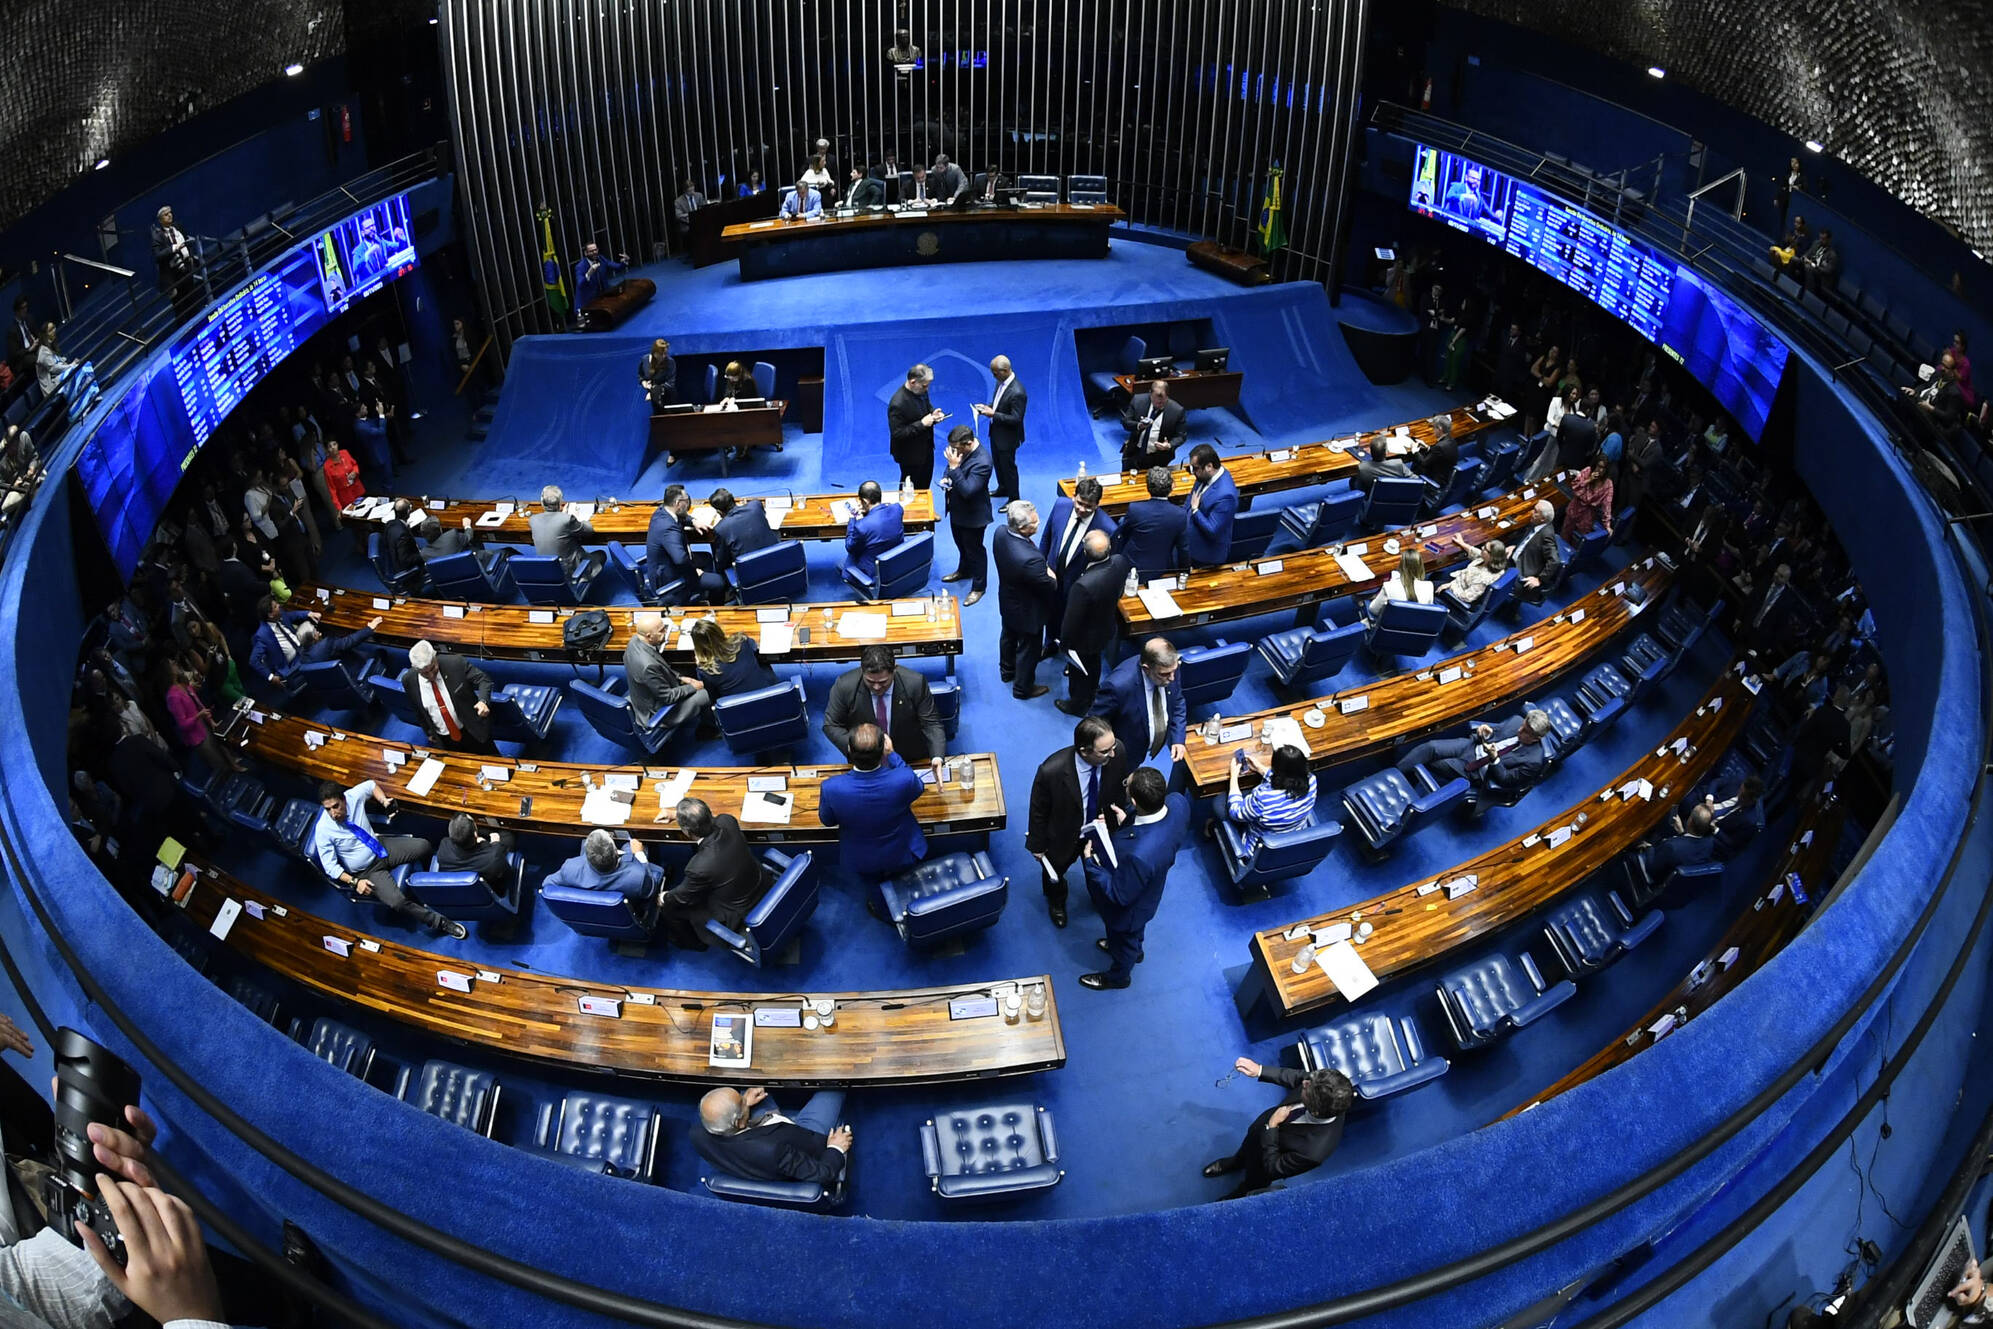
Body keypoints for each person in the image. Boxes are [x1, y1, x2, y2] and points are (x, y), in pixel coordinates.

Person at [1079, 766, 1188, 990]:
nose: (1125, 787)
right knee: (1134, 936)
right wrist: (1128, 820)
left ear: (1136, 801)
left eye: (1127, 786)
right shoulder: (1178, 803)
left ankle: (1119, 977)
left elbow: (1119, 894)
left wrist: (1091, 863)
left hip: (1130, 910)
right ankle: (1135, 950)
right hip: (1151, 889)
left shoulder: (1140, 855)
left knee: (1124, 941)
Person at [312, 779, 465, 937]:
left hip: (380, 848)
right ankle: (440, 922)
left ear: (343, 799)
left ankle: (427, 881)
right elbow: (330, 868)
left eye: (335, 806)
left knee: (424, 845)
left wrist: (384, 800)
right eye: (328, 809)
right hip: (367, 871)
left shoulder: (353, 796)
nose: (333, 814)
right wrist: (354, 881)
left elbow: (371, 785)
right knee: (397, 902)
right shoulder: (324, 829)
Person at [1027, 716, 1130, 928]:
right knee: (1054, 872)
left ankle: (1098, 897)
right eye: (1104, 751)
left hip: (1099, 830)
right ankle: (1056, 902)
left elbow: (1118, 790)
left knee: (1100, 869)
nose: (1112, 753)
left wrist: (1112, 820)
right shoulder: (1051, 771)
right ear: (1084, 751)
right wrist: (1037, 845)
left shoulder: (1116, 752)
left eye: (1112, 747)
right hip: (1063, 834)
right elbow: (1038, 811)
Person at [1204, 1059, 1356, 1198]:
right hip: (1257, 1133)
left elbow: (1273, 1167)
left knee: (1252, 1184)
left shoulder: (1314, 1152)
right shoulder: (1321, 1084)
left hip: (1263, 1164)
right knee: (1245, 1150)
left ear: (1315, 1111)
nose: (1304, 1082)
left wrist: (1272, 1126)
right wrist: (1260, 1070)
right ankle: (1235, 1162)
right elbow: (1297, 1076)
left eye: (1306, 1089)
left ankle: (1235, 1196)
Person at [817, 721, 926, 879]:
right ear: (883, 750)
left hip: (862, 860)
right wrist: (893, 755)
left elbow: (827, 821)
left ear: (849, 749)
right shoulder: (904, 779)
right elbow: (918, 787)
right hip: (902, 852)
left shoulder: (831, 788)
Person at [692, 1085, 852, 1188]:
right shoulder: (775, 1151)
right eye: (742, 1102)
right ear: (739, 1122)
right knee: (835, 1086)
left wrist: (745, 1102)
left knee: (749, 1084)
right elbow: (823, 1173)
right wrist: (835, 1148)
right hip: (799, 1135)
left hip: (754, 1132)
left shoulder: (697, 1134)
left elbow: (735, 1120)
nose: (745, 1099)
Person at [661, 798, 763, 949]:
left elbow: (681, 897)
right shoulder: (728, 821)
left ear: (687, 831)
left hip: (738, 911)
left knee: (670, 907)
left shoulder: (699, 867)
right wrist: (676, 815)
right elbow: (715, 819)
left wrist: (663, 897)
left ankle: (693, 944)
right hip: (760, 884)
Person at [823, 644, 945, 765]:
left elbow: (931, 723)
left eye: (883, 682)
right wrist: (856, 747)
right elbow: (831, 725)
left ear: (895, 669)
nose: (876, 687)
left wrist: (937, 757)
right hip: (864, 762)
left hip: (908, 758)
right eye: (870, 681)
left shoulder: (915, 684)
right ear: (862, 670)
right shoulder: (844, 686)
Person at [1056, 531, 1133, 716]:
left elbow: (1071, 621)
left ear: (1084, 553)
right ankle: (1092, 693)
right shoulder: (1120, 562)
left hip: (1083, 639)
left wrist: (1065, 644)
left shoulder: (1083, 586)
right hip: (1106, 628)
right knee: (1094, 664)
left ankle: (1077, 705)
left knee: (1079, 671)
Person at [1396, 709, 1555, 793]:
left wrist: (1495, 760)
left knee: (1432, 763)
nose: (1519, 730)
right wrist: (1486, 731)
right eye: (1522, 726)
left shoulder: (1533, 761)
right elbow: (1496, 731)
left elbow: (1506, 780)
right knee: (1430, 747)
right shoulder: (1516, 722)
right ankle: (1395, 773)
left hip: (1476, 770)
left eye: (1525, 731)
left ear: (1536, 738)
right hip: (1471, 746)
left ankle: (1403, 784)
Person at [994, 501, 1059, 699]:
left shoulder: (1000, 532)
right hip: (1029, 611)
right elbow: (1051, 584)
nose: (1039, 524)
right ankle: (1023, 688)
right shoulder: (1031, 559)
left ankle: (1007, 672)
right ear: (1023, 528)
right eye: (1035, 523)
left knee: (1008, 636)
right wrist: (1048, 570)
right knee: (1029, 650)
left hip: (1008, 600)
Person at [1040, 476, 1115, 643]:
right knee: (1050, 613)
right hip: (1051, 574)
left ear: (1097, 504)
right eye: (1079, 503)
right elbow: (1047, 537)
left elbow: (1104, 567)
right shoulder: (1060, 505)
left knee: (1073, 623)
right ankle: (1050, 642)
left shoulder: (1107, 528)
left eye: (1088, 506)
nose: (1081, 509)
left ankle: (1069, 653)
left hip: (1077, 586)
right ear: (1074, 496)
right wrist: (1042, 565)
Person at [1091, 637, 1188, 763]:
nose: (1172, 679)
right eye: (1164, 674)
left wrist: (1178, 739)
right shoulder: (1118, 686)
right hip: (1122, 755)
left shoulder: (1170, 667)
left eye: (1173, 671)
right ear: (1146, 668)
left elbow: (1178, 700)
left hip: (1142, 749)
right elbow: (1094, 723)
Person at [248, 596, 381, 686]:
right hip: (294, 664)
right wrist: (271, 677)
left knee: (331, 644)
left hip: (304, 647)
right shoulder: (262, 635)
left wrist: (308, 613)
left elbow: (291, 616)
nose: (280, 606)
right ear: (270, 614)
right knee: (334, 645)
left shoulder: (279, 615)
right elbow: (253, 660)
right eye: (276, 606)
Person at [1214, 743, 1317, 854]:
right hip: (1293, 835)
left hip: (1262, 847)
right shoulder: (1312, 781)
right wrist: (1261, 769)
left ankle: (1214, 827)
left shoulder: (1264, 797)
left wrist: (1233, 777)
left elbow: (1236, 813)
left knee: (1219, 803)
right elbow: (1288, 780)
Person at [624, 611, 713, 736]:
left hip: (648, 694)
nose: (666, 632)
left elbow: (661, 668)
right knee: (709, 691)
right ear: (649, 636)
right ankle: (708, 730)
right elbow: (668, 698)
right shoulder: (648, 666)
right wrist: (693, 687)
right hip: (658, 711)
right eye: (661, 631)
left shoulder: (634, 641)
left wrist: (681, 678)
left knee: (686, 670)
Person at [401, 639, 498, 754]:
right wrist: (429, 732)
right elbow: (418, 709)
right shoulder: (409, 680)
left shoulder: (455, 663)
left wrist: (483, 701)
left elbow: (484, 680)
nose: (431, 675)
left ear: (435, 657)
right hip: (445, 740)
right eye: (425, 673)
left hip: (472, 732)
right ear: (415, 668)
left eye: (433, 668)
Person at [938, 424, 992, 603]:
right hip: (957, 510)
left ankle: (979, 587)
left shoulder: (983, 461)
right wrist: (947, 475)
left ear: (968, 443)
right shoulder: (962, 450)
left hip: (974, 516)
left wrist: (953, 470)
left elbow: (969, 490)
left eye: (956, 448)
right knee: (962, 546)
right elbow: (951, 465)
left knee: (975, 551)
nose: (953, 452)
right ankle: (964, 571)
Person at [644, 484, 724, 604]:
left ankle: (702, 593)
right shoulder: (668, 529)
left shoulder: (663, 511)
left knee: (706, 557)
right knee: (719, 581)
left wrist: (693, 521)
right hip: (669, 577)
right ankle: (714, 606)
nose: (688, 502)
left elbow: (681, 517)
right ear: (677, 503)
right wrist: (695, 572)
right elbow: (680, 560)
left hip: (669, 561)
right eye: (686, 500)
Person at [545, 828, 665, 902]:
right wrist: (640, 855)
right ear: (616, 853)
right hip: (628, 885)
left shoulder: (570, 868)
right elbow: (650, 891)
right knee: (631, 846)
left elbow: (548, 885)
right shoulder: (638, 877)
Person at [1112, 467, 1188, 578]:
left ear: (1147, 487)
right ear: (1172, 487)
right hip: (1161, 567)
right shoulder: (1180, 515)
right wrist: (1185, 572)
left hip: (1132, 565)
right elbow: (1183, 547)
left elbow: (1123, 533)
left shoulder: (1135, 509)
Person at [164, 662, 238, 775]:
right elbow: (182, 725)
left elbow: (198, 704)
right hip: (197, 736)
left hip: (206, 725)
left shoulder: (184, 684)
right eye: (172, 664)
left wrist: (211, 721)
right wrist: (199, 716)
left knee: (223, 749)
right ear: (168, 672)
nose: (176, 664)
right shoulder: (172, 696)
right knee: (219, 765)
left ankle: (235, 767)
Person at [974, 354, 1027, 498]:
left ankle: (1014, 498)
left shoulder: (1018, 392)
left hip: (1008, 437)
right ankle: (1003, 488)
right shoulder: (1001, 383)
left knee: (1008, 468)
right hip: (996, 433)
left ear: (1004, 371)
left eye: (995, 373)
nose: (993, 376)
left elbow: (1016, 418)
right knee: (998, 464)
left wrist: (993, 415)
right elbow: (999, 404)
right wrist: (987, 408)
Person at [689, 617, 779, 699]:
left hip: (738, 709)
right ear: (719, 630)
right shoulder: (741, 641)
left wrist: (701, 662)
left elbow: (713, 696)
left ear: (698, 646)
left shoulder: (705, 670)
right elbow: (754, 647)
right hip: (768, 697)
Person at [529, 484, 605, 579]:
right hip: (569, 570)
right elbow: (589, 530)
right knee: (601, 554)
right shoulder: (567, 519)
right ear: (560, 502)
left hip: (546, 570)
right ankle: (581, 580)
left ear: (542, 502)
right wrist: (574, 517)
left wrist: (562, 515)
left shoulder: (533, 520)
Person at [887, 363, 944, 488]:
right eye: (924, 386)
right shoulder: (897, 404)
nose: (927, 389)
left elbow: (926, 406)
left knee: (924, 485)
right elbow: (898, 433)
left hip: (926, 448)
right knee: (910, 488)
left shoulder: (921, 391)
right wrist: (922, 424)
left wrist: (933, 414)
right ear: (913, 382)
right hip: (909, 454)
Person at [435, 812, 519, 897]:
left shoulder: (444, 846)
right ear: (475, 834)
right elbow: (508, 874)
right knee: (508, 836)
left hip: (459, 893)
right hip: (488, 892)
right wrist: (495, 843)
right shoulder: (493, 857)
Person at [1182, 444, 1238, 567]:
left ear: (1209, 466)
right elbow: (1191, 499)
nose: (1193, 473)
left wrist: (1195, 510)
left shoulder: (1226, 495)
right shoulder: (1203, 476)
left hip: (1205, 555)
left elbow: (1212, 530)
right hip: (1187, 544)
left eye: (1195, 468)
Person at [1688, 774, 1765, 860]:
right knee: (1687, 801)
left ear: (1752, 800)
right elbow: (1716, 782)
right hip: (1705, 805)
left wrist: (1715, 829)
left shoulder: (1750, 821)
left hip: (1711, 830)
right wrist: (1709, 800)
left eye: (1743, 796)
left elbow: (1733, 843)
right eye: (1740, 790)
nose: (1738, 795)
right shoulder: (1739, 781)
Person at [842, 481, 904, 585]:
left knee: (853, 552)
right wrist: (869, 513)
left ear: (865, 502)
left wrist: (852, 519)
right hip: (896, 562)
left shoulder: (861, 526)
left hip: (872, 571)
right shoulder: (897, 509)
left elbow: (850, 547)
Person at [1634, 803, 1718, 880]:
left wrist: (1649, 847)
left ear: (1690, 821)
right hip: (1679, 875)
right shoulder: (1709, 842)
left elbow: (1651, 868)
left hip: (1656, 875)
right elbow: (1688, 849)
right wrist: (1682, 832)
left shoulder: (1672, 847)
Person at [707, 487, 779, 574]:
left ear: (719, 512)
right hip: (775, 561)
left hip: (749, 574)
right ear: (734, 500)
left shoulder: (720, 529)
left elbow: (722, 563)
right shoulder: (755, 505)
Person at [150, 204, 204, 320]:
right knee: (180, 307)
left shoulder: (178, 227)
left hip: (187, 270)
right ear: (160, 220)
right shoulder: (157, 236)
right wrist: (173, 248)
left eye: (170, 213)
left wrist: (189, 256)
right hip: (174, 276)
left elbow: (186, 241)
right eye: (166, 215)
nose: (169, 215)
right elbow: (158, 256)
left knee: (193, 300)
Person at [1121, 379, 1186, 472]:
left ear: (1167, 396)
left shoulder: (1177, 411)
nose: (1158, 405)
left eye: (1162, 402)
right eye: (1155, 402)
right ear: (1150, 394)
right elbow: (1125, 422)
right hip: (1134, 452)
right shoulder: (1138, 401)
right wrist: (1139, 425)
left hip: (1158, 458)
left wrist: (1169, 445)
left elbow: (1181, 436)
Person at [33, 323, 95, 407]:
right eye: (50, 330)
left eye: (54, 328)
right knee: (74, 371)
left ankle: (92, 395)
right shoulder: (43, 351)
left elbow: (60, 362)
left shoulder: (51, 347)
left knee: (85, 365)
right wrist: (71, 365)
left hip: (59, 377)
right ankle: (79, 407)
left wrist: (72, 363)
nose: (54, 331)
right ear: (45, 335)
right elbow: (54, 368)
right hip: (52, 385)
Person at [1513, 500, 1563, 602]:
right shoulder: (1536, 522)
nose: (1532, 512)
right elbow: (1528, 542)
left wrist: (1539, 579)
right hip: (1519, 558)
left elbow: (1555, 561)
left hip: (1523, 570)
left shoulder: (1547, 535)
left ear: (1543, 519)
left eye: (1535, 511)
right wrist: (1514, 548)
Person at [1562, 457, 1616, 541]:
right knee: (1565, 533)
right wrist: (1589, 480)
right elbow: (1574, 487)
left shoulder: (1608, 484)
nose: (1600, 470)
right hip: (1575, 507)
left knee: (1580, 539)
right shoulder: (1587, 471)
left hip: (1588, 514)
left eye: (1603, 468)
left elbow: (1607, 505)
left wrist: (1607, 525)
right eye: (1599, 466)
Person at [1368, 548, 1434, 616]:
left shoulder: (1389, 586)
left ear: (1401, 565)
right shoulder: (1429, 586)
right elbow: (1428, 611)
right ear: (1420, 566)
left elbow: (1373, 611)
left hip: (1392, 625)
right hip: (1418, 625)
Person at [1443, 537, 1509, 605]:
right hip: (1460, 578)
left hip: (1457, 589)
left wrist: (1450, 586)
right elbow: (1475, 552)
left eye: (1485, 549)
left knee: (1433, 583)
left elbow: (1466, 597)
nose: (1482, 548)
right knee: (1437, 574)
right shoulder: (1493, 561)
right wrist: (1461, 543)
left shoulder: (1484, 578)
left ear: (1491, 556)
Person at [572, 242, 629, 308]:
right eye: (591, 251)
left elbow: (617, 267)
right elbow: (580, 284)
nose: (594, 252)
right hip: (588, 301)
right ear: (586, 253)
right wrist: (589, 273)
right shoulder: (580, 266)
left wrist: (625, 261)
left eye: (595, 250)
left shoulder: (601, 259)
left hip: (604, 295)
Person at [1415, 414, 1459, 493]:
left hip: (1436, 480)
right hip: (1445, 474)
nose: (1433, 430)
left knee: (1416, 460)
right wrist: (1427, 447)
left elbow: (1424, 463)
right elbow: (1439, 453)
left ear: (1440, 429)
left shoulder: (1439, 447)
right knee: (1422, 453)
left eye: (1434, 427)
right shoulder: (1452, 440)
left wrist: (1414, 451)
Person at [638, 338, 678, 406]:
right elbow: (641, 375)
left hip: (668, 398)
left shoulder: (670, 362)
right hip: (652, 400)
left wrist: (654, 392)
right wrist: (643, 382)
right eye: (661, 354)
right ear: (654, 353)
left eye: (665, 353)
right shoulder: (645, 360)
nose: (663, 356)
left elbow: (670, 383)